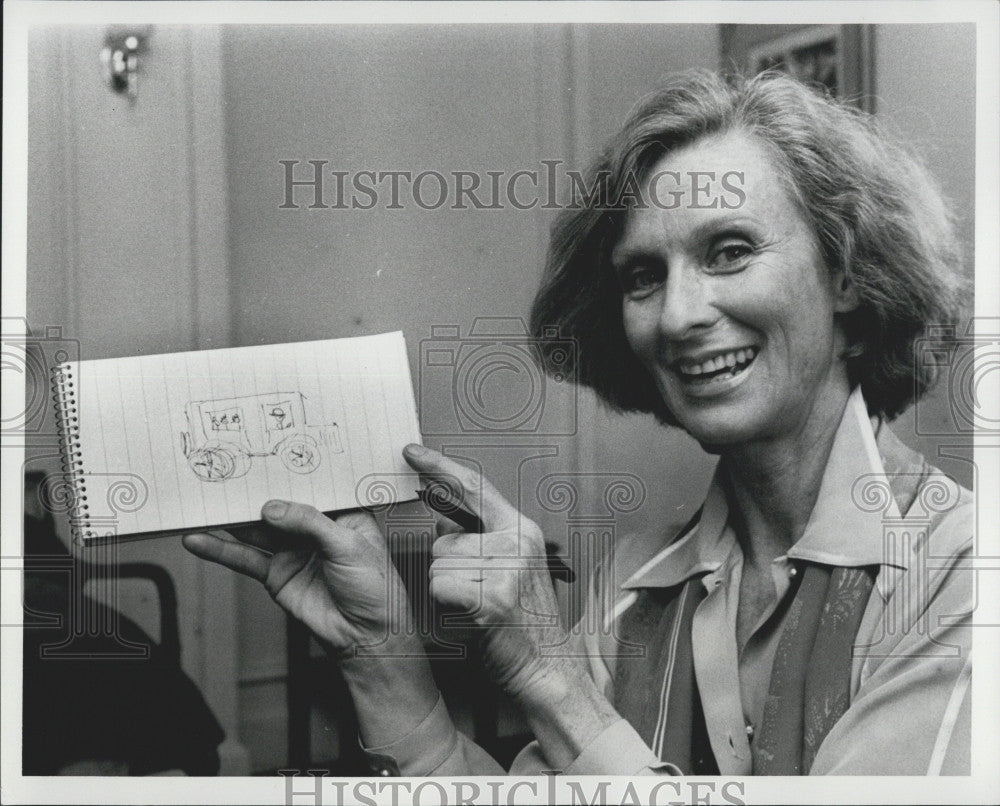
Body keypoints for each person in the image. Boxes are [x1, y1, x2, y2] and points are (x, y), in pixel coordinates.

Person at [182, 70, 972, 775]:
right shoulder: (639, 582)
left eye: (729, 251)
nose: (678, 315)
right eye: (642, 276)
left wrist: (551, 677)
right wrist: (380, 653)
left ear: (847, 274)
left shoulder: (962, 574)